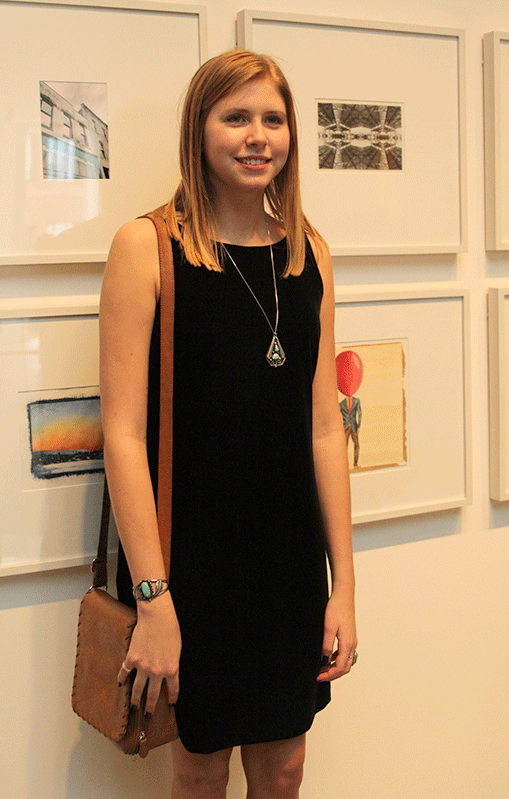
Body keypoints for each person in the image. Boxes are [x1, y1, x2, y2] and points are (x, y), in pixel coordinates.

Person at [99, 48, 357, 799]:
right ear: (199, 129)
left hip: (286, 562)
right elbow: (122, 435)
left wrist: (344, 585)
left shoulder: (310, 251)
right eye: (235, 116)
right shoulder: (146, 248)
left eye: (272, 119)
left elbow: (323, 428)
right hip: (186, 567)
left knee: (284, 771)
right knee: (199, 771)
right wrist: (154, 598)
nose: (257, 136)